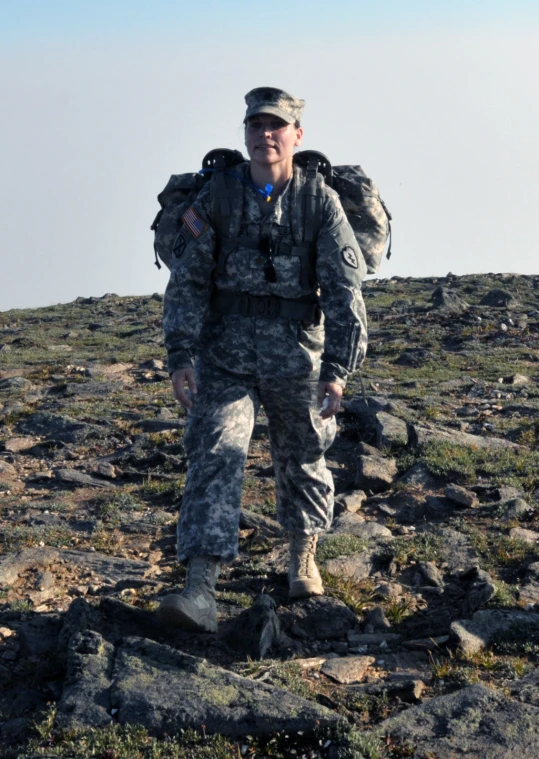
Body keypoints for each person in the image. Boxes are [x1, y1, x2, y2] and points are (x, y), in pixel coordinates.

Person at [159, 86, 368, 633]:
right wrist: (180, 353)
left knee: (302, 452)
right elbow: (188, 279)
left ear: (297, 135)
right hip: (224, 353)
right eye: (256, 126)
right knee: (217, 452)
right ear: (245, 134)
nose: (265, 135)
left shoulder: (318, 200)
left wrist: (339, 371)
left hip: (297, 354)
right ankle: (201, 587)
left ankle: (303, 555)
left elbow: (345, 290)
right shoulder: (218, 197)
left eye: (276, 126)